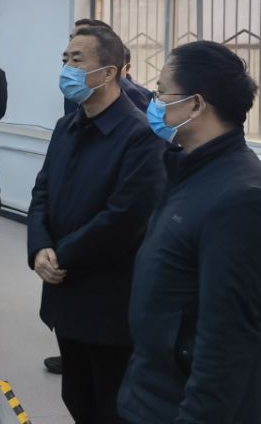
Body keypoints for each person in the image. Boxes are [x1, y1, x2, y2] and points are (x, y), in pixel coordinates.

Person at [118, 41, 261, 424]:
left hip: (180, 406)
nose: (152, 103)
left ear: (195, 105)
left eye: (161, 93)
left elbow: (226, 344)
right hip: (152, 390)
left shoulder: (242, 199)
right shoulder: (188, 170)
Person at [28, 26, 165, 424]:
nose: (66, 69)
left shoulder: (141, 135)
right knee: (77, 395)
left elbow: (124, 218)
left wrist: (60, 255)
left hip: (107, 297)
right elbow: (42, 191)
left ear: (108, 73)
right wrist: (39, 246)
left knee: (111, 403)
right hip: (63, 287)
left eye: (77, 60)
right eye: (64, 60)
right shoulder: (66, 127)